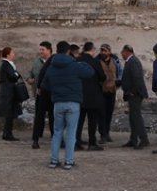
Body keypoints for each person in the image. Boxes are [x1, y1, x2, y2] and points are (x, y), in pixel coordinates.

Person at [40, 41, 96, 170]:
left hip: (58, 103)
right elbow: (90, 72)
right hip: (73, 102)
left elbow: (45, 84)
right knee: (71, 132)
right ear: (68, 51)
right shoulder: (74, 65)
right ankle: (68, 161)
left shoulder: (51, 66)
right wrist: (80, 61)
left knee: (57, 132)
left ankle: (54, 160)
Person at [75, 41, 106, 151]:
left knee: (78, 120)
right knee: (92, 120)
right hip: (93, 95)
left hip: (79, 94)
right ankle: (92, 143)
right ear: (92, 50)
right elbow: (103, 77)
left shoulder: (77, 61)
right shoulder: (95, 62)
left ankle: (76, 142)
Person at [119, 45, 149, 149]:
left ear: (127, 52)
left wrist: (133, 92)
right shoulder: (131, 61)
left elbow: (137, 78)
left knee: (136, 117)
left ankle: (143, 139)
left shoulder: (133, 61)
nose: (121, 54)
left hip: (135, 94)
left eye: (122, 52)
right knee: (133, 117)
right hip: (132, 93)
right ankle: (133, 139)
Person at [29, 41, 54, 149]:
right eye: (40, 49)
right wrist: (29, 79)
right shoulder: (36, 62)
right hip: (41, 93)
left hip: (52, 94)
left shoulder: (54, 61)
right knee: (39, 117)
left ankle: (55, 138)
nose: (41, 52)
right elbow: (30, 73)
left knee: (54, 117)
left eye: (42, 49)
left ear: (49, 50)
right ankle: (35, 139)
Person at [0, 47, 22, 141]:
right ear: (8, 54)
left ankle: (7, 133)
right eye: (12, 53)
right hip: (8, 92)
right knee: (9, 114)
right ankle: (7, 134)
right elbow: (13, 76)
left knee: (10, 114)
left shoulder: (6, 64)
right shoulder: (6, 64)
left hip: (9, 91)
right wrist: (17, 75)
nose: (14, 54)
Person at [98, 44, 118, 143]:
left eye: (105, 51)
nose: (103, 52)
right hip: (102, 91)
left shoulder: (115, 61)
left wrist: (117, 85)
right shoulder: (97, 62)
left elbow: (119, 73)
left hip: (112, 91)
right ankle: (102, 134)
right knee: (101, 113)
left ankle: (107, 133)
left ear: (109, 52)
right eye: (101, 50)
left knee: (109, 113)